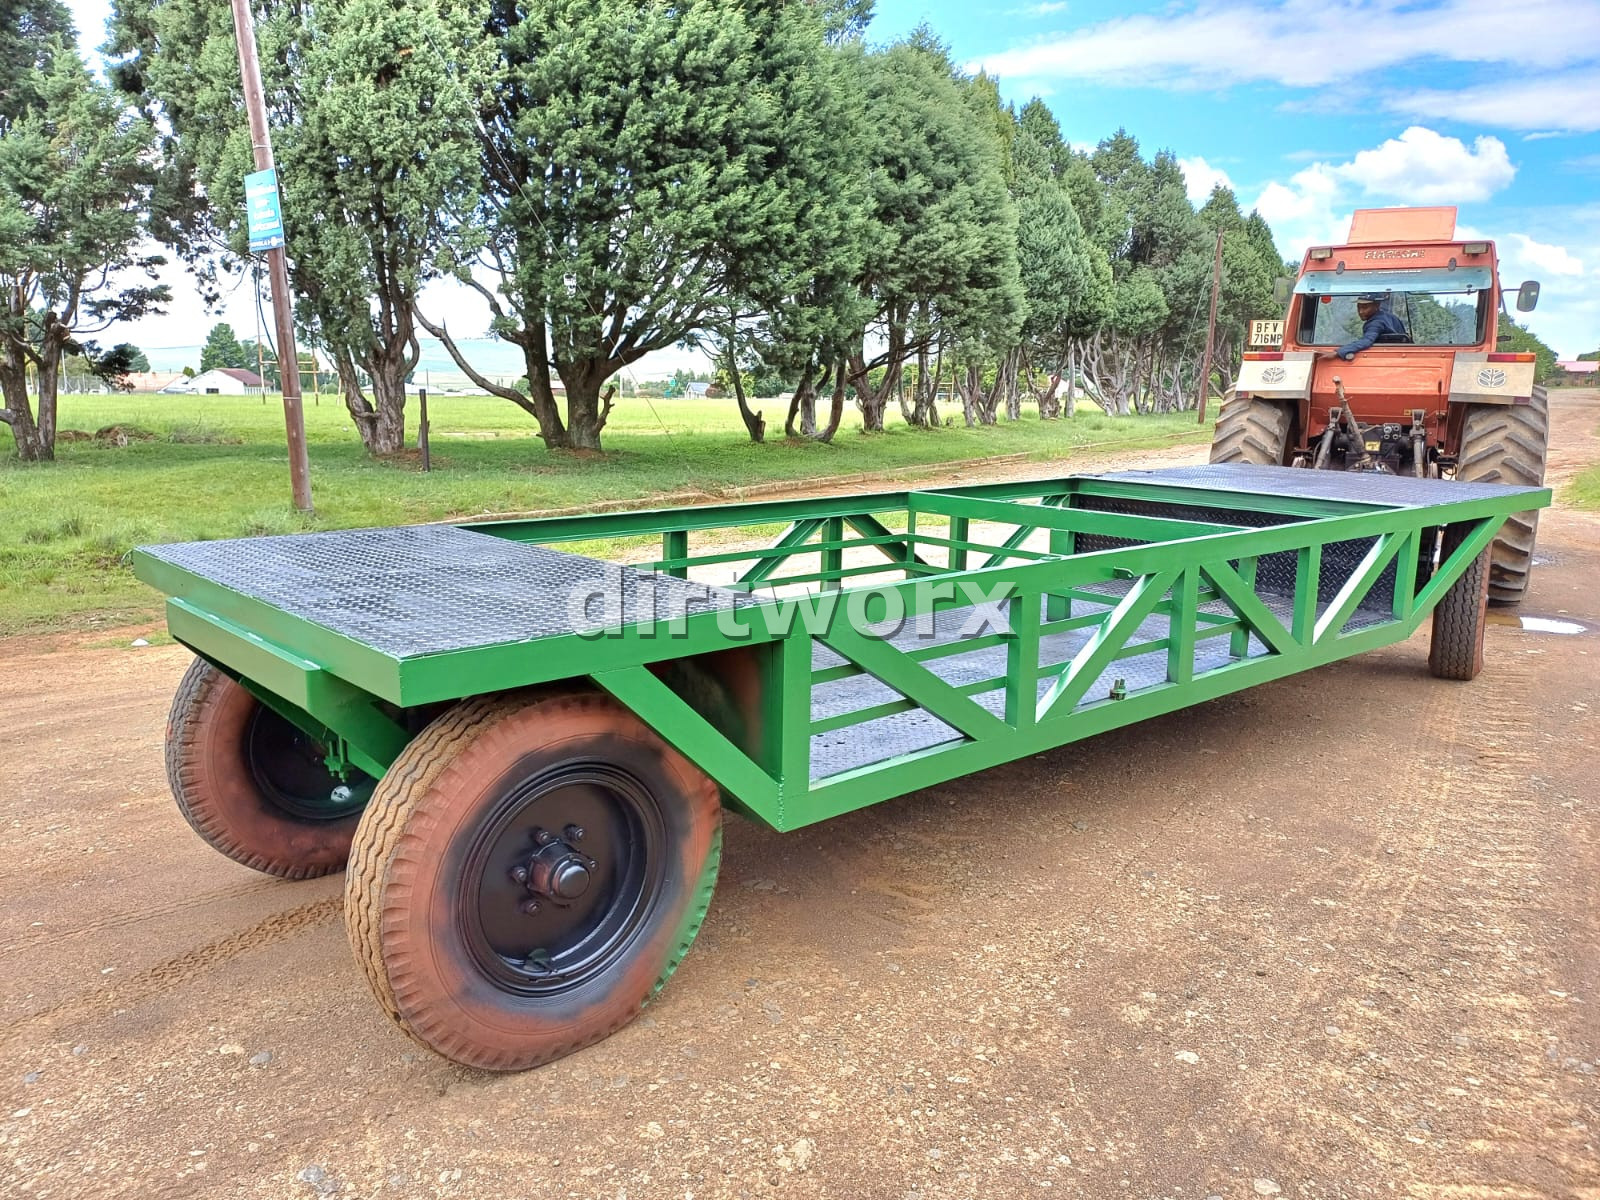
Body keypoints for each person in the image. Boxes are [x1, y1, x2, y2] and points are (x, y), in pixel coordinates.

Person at [1326, 293, 1407, 361]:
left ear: (1377, 306)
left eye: (1365, 307)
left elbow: (1367, 341)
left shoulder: (1376, 323)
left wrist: (1338, 352)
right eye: (1358, 307)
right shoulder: (1390, 317)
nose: (1361, 312)